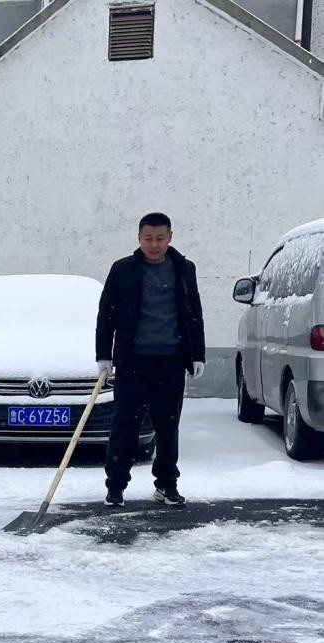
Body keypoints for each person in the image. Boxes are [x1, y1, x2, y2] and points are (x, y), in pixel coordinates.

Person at [96, 212, 206, 508]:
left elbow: (193, 312)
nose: (154, 245)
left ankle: (167, 485)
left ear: (170, 237)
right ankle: (116, 486)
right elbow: (106, 314)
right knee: (125, 426)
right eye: (148, 239)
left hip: (171, 360)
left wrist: (197, 354)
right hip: (134, 361)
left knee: (168, 427)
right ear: (139, 238)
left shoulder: (184, 269)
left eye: (160, 238)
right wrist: (104, 355)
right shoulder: (123, 270)